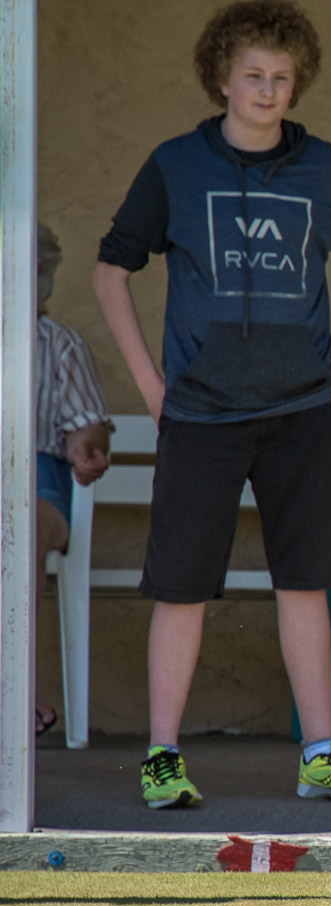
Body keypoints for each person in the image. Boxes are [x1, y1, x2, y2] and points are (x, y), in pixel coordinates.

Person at [93, 0, 331, 808]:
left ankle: (322, 752)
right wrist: (151, 385)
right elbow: (110, 269)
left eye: (282, 78)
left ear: (297, 85)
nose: (267, 90)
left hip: (301, 408)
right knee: (182, 584)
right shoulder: (174, 166)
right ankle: (163, 755)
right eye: (253, 75)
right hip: (198, 411)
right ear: (222, 78)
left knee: (308, 580)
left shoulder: (324, 169)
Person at [33, 224, 113, 738]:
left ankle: (13, 690)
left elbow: (88, 429)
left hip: (38, 488)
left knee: (16, 529)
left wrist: (87, 450)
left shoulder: (59, 346)